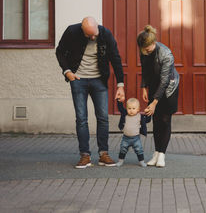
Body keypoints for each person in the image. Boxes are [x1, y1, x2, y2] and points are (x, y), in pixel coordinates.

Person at [56, 16, 125, 169]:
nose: (93, 37)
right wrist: (67, 72)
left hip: (99, 81)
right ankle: (85, 156)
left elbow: (115, 58)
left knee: (103, 118)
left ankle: (103, 154)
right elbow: (60, 51)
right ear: (82, 29)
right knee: (81, 118)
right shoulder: (72, 31)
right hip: (78, 80)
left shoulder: (105, 33)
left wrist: (120, 85)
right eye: (89, 35)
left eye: (95, 34)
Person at [137, 25, 179, 168]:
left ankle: (162, 155)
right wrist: (144, 87)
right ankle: (156, 153)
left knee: (165, 120)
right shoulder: (143, 50)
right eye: (143, 49)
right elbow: (145, 69)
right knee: (155, 120)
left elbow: (165, 81)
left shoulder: (166, 54)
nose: (145, 51)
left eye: (147, 48)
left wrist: (154, 102)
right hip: (155, 84)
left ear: (153, 43)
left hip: (169, 88)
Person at [116, 98, 151, 167]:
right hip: (125, 138)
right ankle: (120, 161)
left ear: (138, 109)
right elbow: (120, 108)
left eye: (133, 108)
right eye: (129, 108)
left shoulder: (140, 117)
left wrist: (148, 112)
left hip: (136, 138)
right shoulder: (125, 114)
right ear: (126, 108)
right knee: (123, 149)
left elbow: (148, 120)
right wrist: (119, 101)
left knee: (139, 149)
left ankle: (141, 161)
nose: (131, 110)